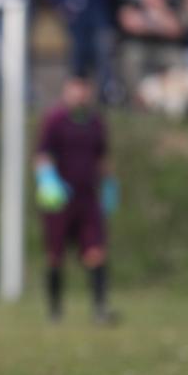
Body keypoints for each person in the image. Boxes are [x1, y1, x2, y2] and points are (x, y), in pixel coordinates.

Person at [35, 75, 119, 324]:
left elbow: (103, 156)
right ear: (66, 90)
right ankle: (55, 311)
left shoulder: (95, 122)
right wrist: (48, 181)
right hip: (60, 200)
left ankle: (100, 309)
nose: (80, 94)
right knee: (55, 255)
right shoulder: (55, 120)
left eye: (84, 89)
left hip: (88, 198)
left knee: (95, 252)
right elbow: (42, 154)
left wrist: (110, 186)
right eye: (75, 89)